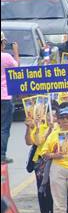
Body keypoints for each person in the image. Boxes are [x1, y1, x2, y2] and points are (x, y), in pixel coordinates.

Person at [1, 32, 19, 164]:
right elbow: (16, 69)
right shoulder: (6, 57)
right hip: (5, 97)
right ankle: (1, 155)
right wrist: (16, 52)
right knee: (4, 128)